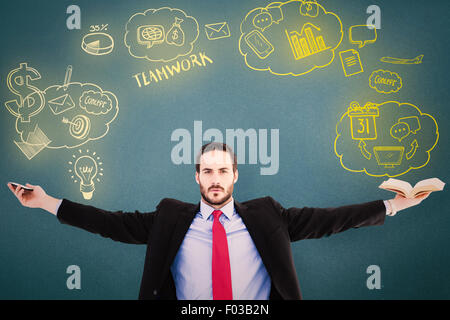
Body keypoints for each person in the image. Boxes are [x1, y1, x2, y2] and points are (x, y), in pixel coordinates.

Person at [7, 142, 431, 300]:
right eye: (207, 171)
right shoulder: (170, 217)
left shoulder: (268, 215)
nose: (214, 179)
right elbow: (110, 223)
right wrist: (46, 202)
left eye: (222, 171)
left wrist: (394, 205)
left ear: (234, 176)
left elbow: (330, 220)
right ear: (196, 176)